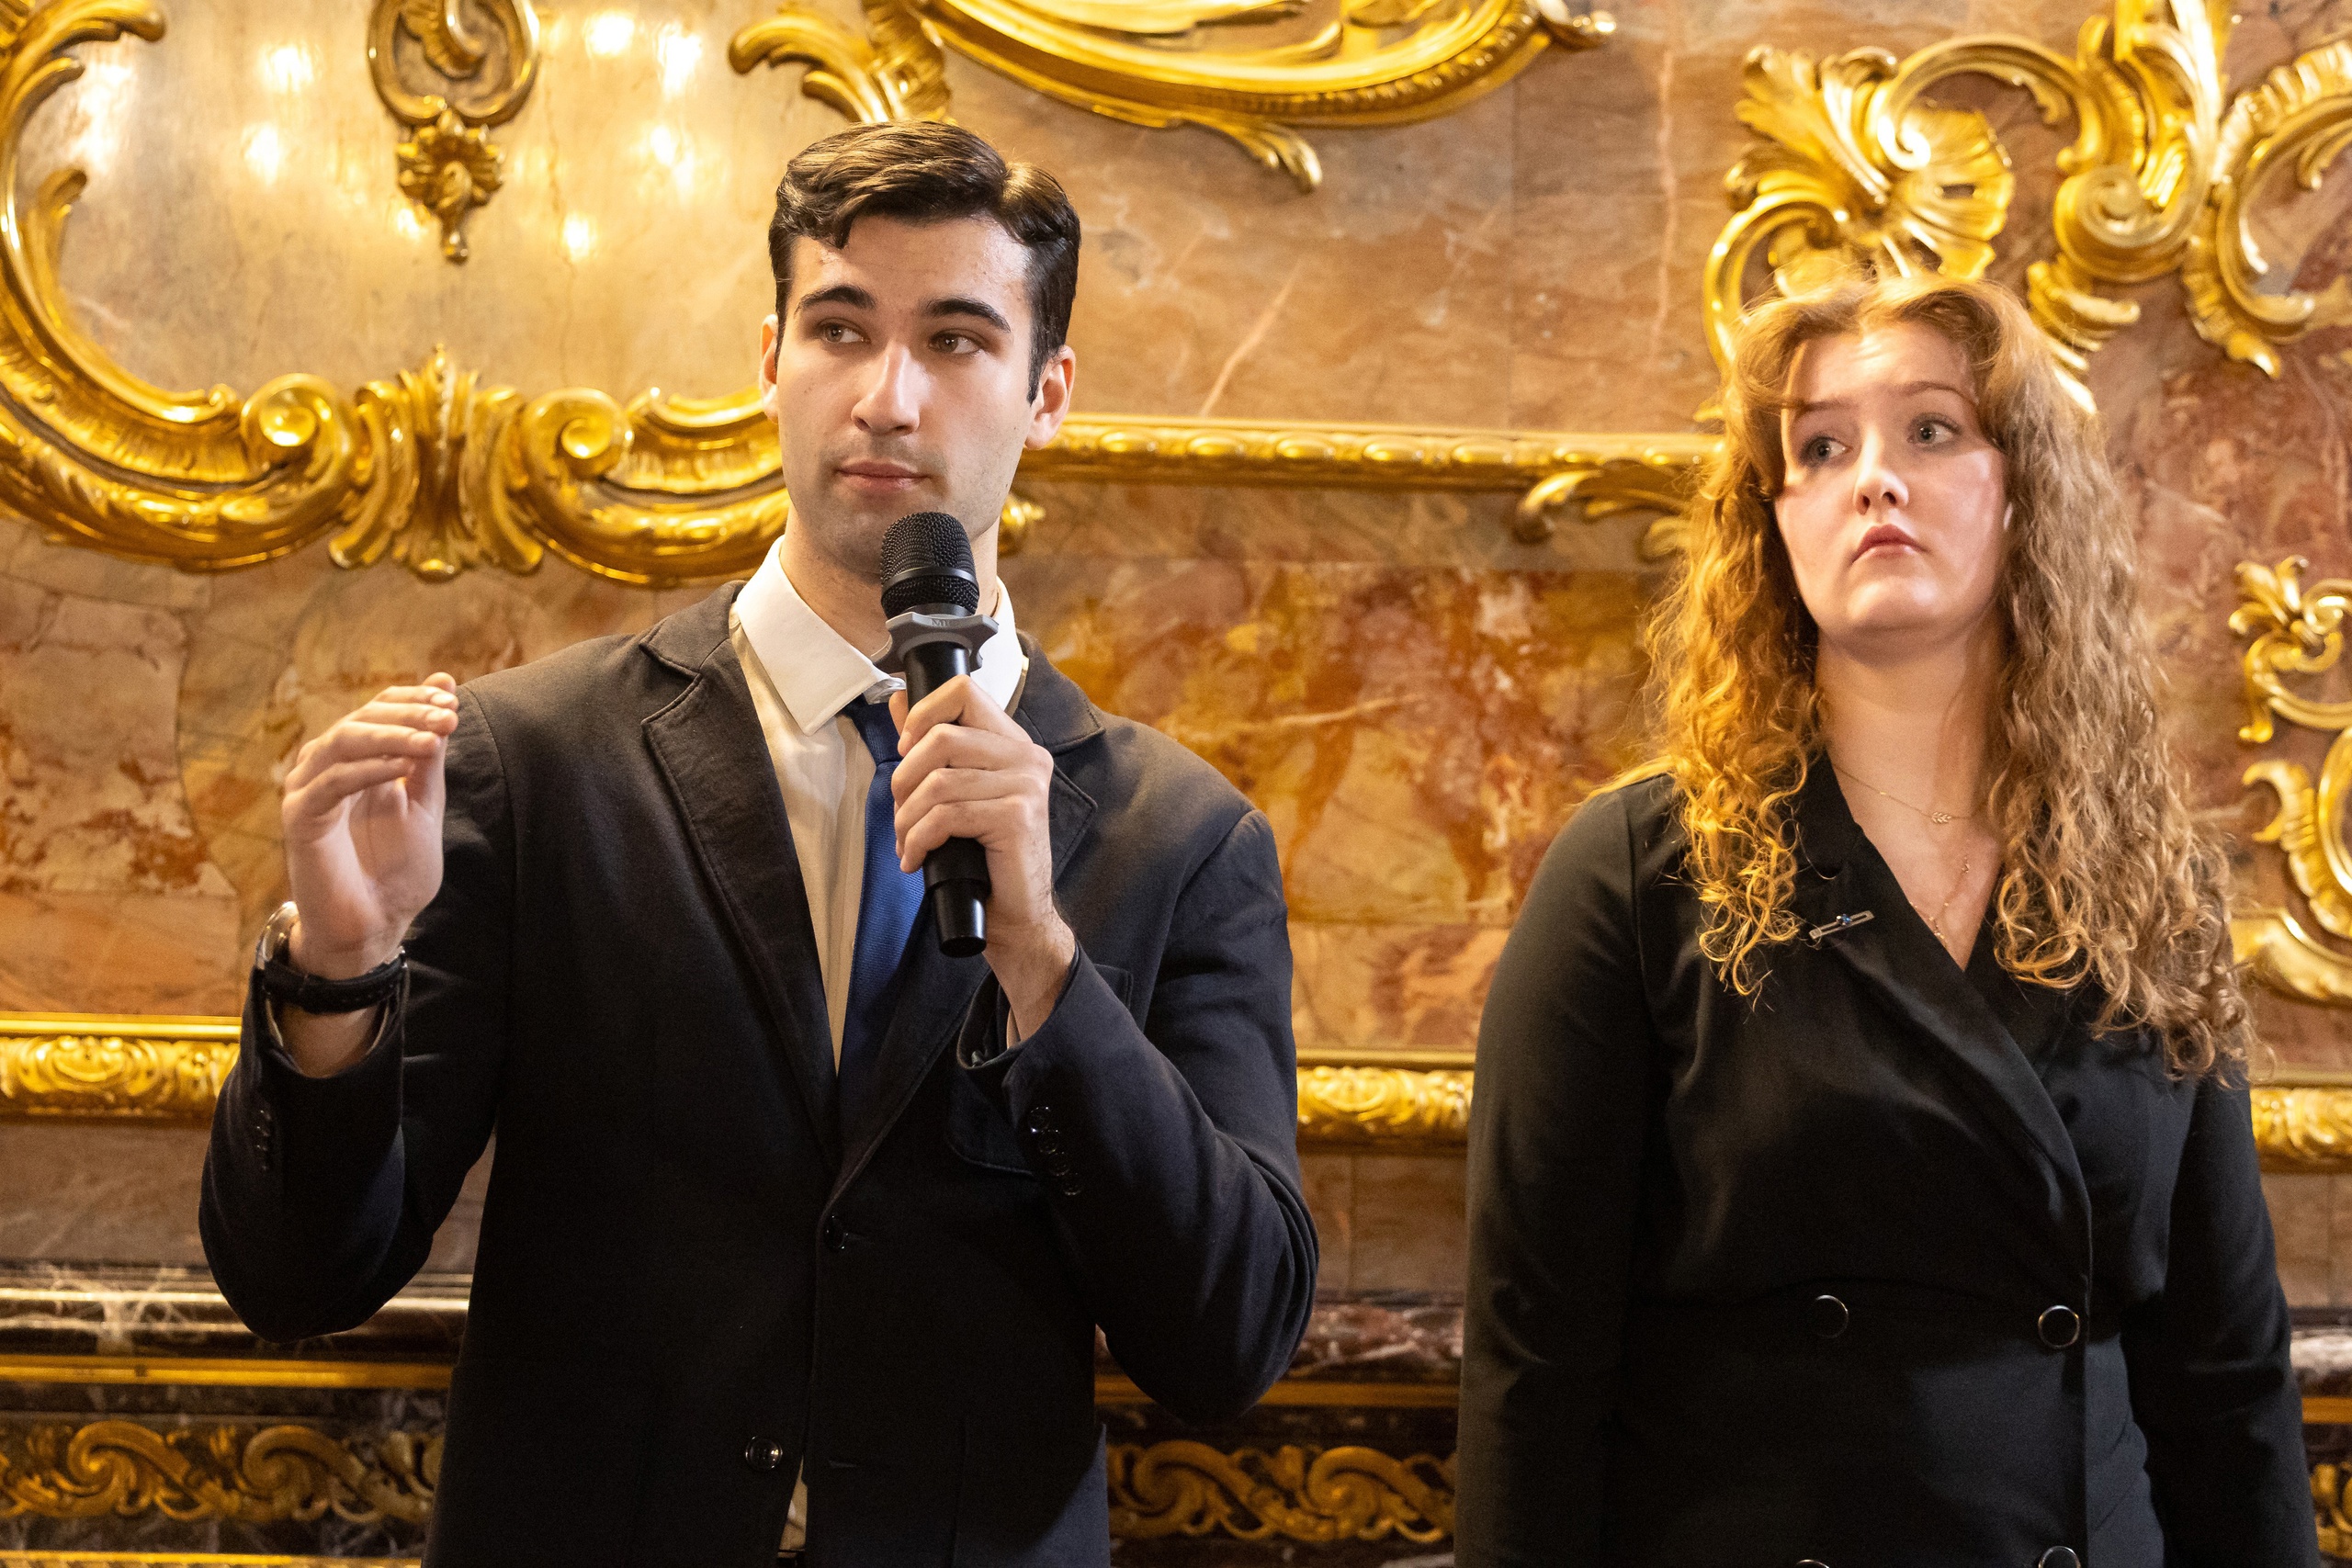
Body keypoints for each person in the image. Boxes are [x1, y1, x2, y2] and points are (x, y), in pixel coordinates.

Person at [199, 122, 1317, 1568]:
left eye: (956, 340)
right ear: (771, 360)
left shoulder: (1183, 837)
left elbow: (1229, 1341)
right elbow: (298, 1280)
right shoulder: (535, 763)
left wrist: (1045, 968)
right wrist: (341, 973)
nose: (887, 398)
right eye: (840, 329)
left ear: (1047, 393)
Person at [1458, 273, 2315, 1567]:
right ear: (1774, 525)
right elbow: (1534, 1369)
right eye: (1819, 448)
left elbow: (2225, 1375)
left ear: (2021, 491)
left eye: (1930, 429)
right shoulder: (1635, 875)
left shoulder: (2155, 885)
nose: (1873, 480)